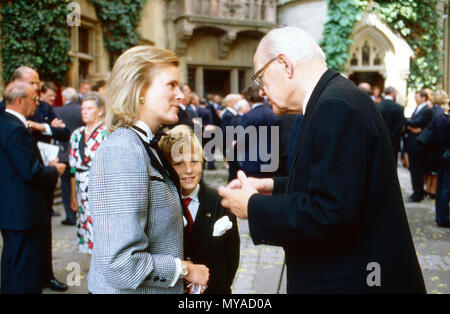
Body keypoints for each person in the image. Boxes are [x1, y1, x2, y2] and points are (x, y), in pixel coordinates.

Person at [218, 26, 426, 294]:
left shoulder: (334, 106)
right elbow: (339, 183)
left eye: (261, 77)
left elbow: (330, 213)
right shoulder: (335, 97)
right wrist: (272, 186)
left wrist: (253, 206)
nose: (260, 91)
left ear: (285, 65)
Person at [87, 45, 209, 294]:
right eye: (171, 85)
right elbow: (121, 264)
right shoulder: (123, 149)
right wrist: (183, 269)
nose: (181, 95)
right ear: (139, 90)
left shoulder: (143, 144)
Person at [0, 81, 66, 293]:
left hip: (11, 210)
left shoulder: (4, 123)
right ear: (20, 101)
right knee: (24, 272)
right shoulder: (16, 129)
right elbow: (31, 172)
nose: (37, 104)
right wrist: (55, 170)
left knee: (12, 264)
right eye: (34, 99)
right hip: (23, 212)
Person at [159, 125, 240, 294]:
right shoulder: (160, 204)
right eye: (179, 163)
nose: (188, 170)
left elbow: (232, 255)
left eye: (194, 161)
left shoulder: (220, 202)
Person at [69, 92, 107, 253]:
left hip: (100, 187)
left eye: (89, 108)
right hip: (80, 188)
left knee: (101, 230)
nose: (84, 111)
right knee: (86, 227)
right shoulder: (76, 134)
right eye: (83, 108)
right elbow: (72, 169)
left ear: (100, 110)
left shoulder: (107, 133)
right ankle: (93, 268)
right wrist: (73, 196)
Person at [54, 87, 84, 226]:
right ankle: (81, 213)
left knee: (66, 186)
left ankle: (70, 216)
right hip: (81, 151)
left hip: (64, 153)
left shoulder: (58, 111)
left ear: (65, 98)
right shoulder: (81, 110)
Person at [238, 84, 280, 178]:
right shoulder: (273, 114)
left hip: (253, 162)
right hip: (271, 160)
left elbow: (243, 140)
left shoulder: (249, 116)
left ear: (249, 98)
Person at [406, 90, 433, 202]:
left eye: (417, 97)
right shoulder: (419, 108)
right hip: (413, 143)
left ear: (423, 97)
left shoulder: (426, 110)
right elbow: (412, 122)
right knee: (414, 169)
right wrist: (410, 124)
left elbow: (416, 122)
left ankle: (418, 194)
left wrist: (408, 122)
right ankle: (416, 192)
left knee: (417, 170)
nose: (415, 99)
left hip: (418, 144)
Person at [431, 90, 449, 228]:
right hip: (445, 156)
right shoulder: (443, 117)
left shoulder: (439, 117)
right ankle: (442, 217)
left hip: (439, 154)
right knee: (445, 188)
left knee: (441, 186)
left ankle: (440, 216)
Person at [377, 86, 405, 162]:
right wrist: (392, 136)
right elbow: (400, 125)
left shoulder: (377, 106)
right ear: (393, 93)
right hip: (394, 141)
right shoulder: (399, 108)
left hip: (380, 140)